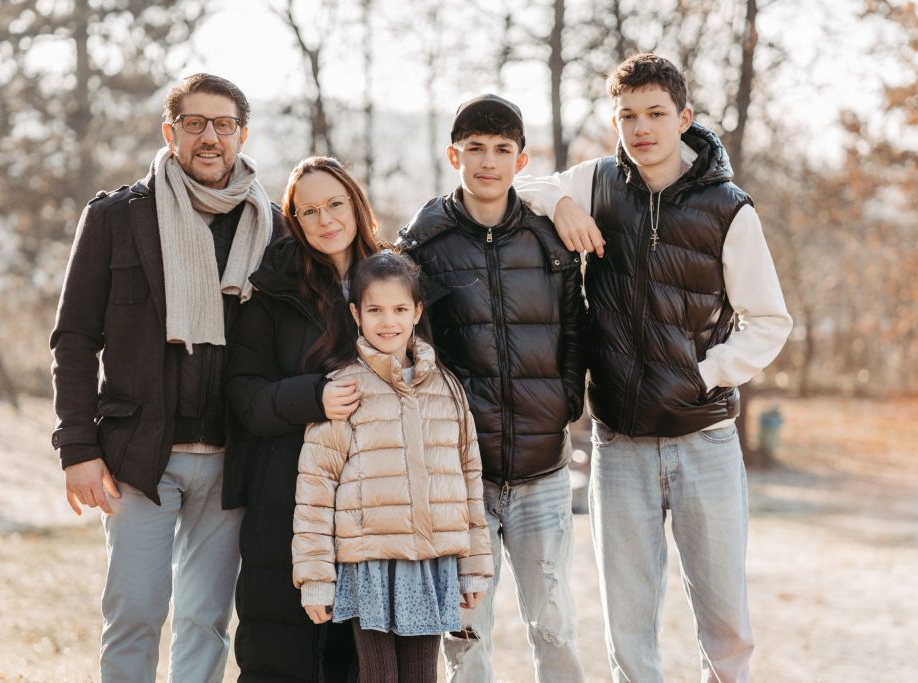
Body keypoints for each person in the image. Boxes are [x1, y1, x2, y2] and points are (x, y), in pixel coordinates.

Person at [515, 53, 793, 682]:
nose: (641, 128)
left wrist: (705, 374)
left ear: (684, 118)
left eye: (655, 114)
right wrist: (562, 203)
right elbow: (516, 189)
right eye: (627, 116)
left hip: (705, 441)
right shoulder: (597, 182)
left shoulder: (729, 207)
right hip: (620, 445)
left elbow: (770, 321)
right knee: (629, 631)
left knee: (726, 629)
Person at [50, 73, 281, 682]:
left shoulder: (270, 226)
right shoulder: (115, 218)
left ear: (242, 135)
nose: (210, 137)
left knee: (206, 620)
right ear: (169, 132)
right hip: (136, 456)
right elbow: (74, 339)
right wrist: (77, 448)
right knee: (135, 612)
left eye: (223, 124)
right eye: (194, 123)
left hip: (233, 457)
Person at [397, 95, 587, 683]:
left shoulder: (549, 239)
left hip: (541, 470)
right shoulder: (423, 245)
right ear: (453, 155)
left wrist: (564, 404)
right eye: (475, 148)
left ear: (520, 161)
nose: (488, 161)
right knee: (466, 634)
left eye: (502, 150)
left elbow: (575, 329)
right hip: (462, 478)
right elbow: (408, 349)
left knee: (554, 625)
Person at [292, 250, 494, 682]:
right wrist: (315, 577)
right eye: (375, 310)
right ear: (356, 314)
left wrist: (474, 566)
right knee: (379, 675)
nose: (388, 321)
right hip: (371, 564)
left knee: (421, 675)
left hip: (432, 561)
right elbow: (315, 488)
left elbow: (468, 479)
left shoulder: (446, 388)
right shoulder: (343, 386)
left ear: (417, 312)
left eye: (400, 309)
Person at [224, 156, 381, 682]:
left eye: (335, 204)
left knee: (360, 662)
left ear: (356, 205)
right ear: (293, 220)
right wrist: (314, 397)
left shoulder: (394, 281)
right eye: (308, 211)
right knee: (280, 655)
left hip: (375, 504)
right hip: (286, 500)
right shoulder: (274, 290)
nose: (325, 219)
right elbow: (243, 394)